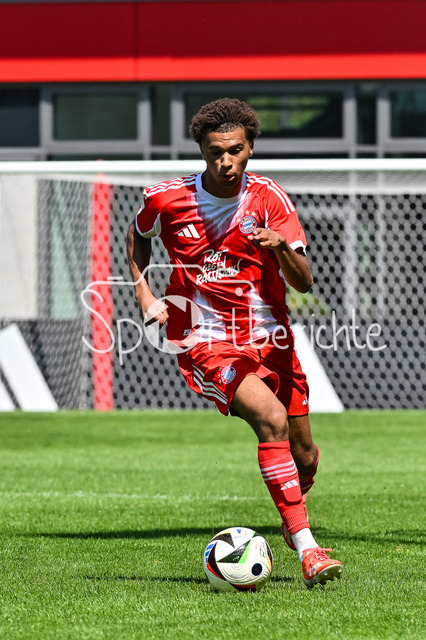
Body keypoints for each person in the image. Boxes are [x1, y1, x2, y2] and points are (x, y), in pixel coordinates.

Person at [126, 98, 342, 588]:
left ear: (250, 148)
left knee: (306, 456)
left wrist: (280, 246)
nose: (225, 161)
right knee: (271, 418)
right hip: (204, 338)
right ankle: (308, 549)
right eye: (215, 152)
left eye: (235, 151)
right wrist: (144, 294)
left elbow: (304, 282)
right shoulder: (167, 198)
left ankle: (291, 515)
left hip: (271, 338)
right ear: (201, 150)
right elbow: (138, 235)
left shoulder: (269, 199)